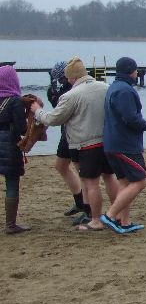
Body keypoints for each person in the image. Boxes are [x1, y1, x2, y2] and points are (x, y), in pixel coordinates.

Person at [33, 57, 121, 231]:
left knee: (91, 182)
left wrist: (37, 111)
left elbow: (53, 119)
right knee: (109, 177)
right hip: (107, 141)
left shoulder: (71, 95)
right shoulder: (106, 87)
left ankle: (96, 219)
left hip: (87, 144)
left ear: (72, 77)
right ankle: (117, 214)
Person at [100, 57, 146, 234]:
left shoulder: (114, 87)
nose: (137, 73)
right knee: (140, 181)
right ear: (131, 71)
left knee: (125, 183)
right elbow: (131, 119)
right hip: (124, 145)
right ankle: (110, 215)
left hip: (113, 142)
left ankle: (125, 222)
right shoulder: (124, 91)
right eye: (135, 70)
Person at [47, 60, 86, 219]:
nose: (61, 81)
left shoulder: (74, 89)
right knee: (61, 165)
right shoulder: (64, 88)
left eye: (62, 78)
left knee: (81, 170)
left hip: (76, 133)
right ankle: (79, 201)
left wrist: (53, 99)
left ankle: (87, 206)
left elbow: (62, 112)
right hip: (67, 133)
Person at [0, 66, 29, 234]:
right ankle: (10, 225)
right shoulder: (15, 101)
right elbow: (22, 128)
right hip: (9, 144)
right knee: (11, 183)